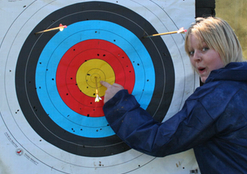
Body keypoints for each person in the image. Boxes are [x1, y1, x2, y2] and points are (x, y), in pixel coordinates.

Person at [100, 17, 247, 174]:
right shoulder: (240, 86)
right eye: (191, 52)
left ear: (225, 47)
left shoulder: (217, 96)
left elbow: (159, 141)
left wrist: (119, 105)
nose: (195, 57)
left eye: (204, 49)